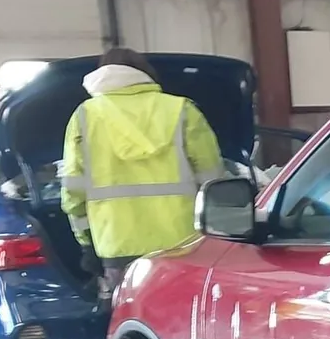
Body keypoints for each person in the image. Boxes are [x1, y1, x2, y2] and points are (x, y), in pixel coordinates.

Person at [60, 47, 223, 295]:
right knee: (182, 312)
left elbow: (74, 191)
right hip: (183, 243)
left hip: (116, 244)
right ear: (145, 73)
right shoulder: (181, 110)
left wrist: (86, 242)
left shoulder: (85, 116)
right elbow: (213, 179)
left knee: (129, 314)